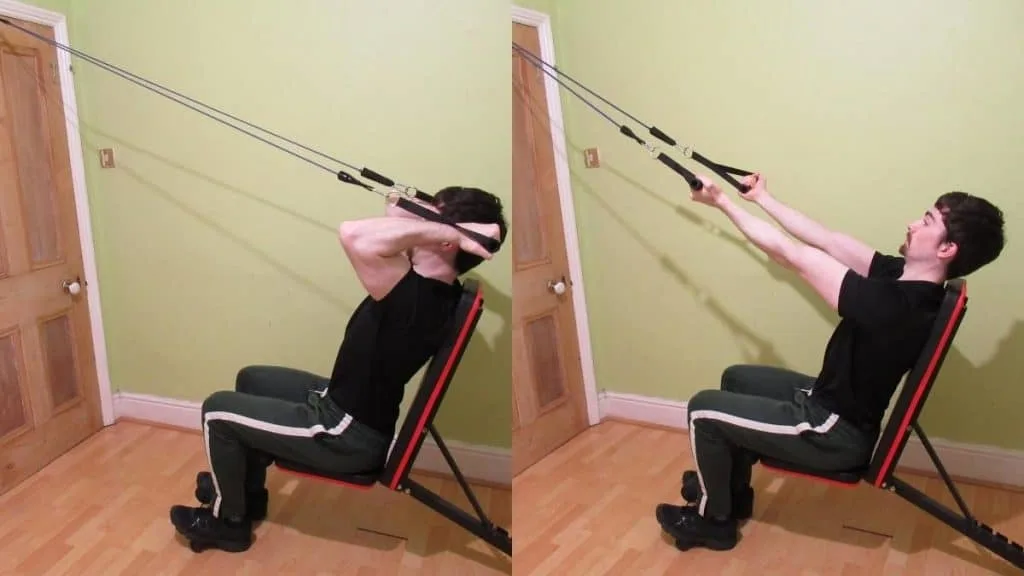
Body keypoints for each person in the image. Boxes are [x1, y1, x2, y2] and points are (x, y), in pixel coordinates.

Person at [656, 172, 1005, 552]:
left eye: (926, 221)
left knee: (703, 410)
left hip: (832, 430)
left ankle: (713, 521)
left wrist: (721, 202)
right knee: (736, 378)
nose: (912, 224)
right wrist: (761, 197)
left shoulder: (896, 306)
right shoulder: (905, 279)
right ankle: (731, 494)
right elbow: (826, 240)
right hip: (827, 400)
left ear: (946, 249)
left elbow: (792, 255)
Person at [168, 186, 507, 552]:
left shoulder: (416, 300)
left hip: (344, 433)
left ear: (446, 241)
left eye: (435, 221)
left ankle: (227, 522)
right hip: (342, 403)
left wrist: (448, 229)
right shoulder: (424, 284)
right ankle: (246, 495)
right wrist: (426, 212)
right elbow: (393, 219)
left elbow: (352, 234)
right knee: (251, 379)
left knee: (217, 411)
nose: (424, 221)